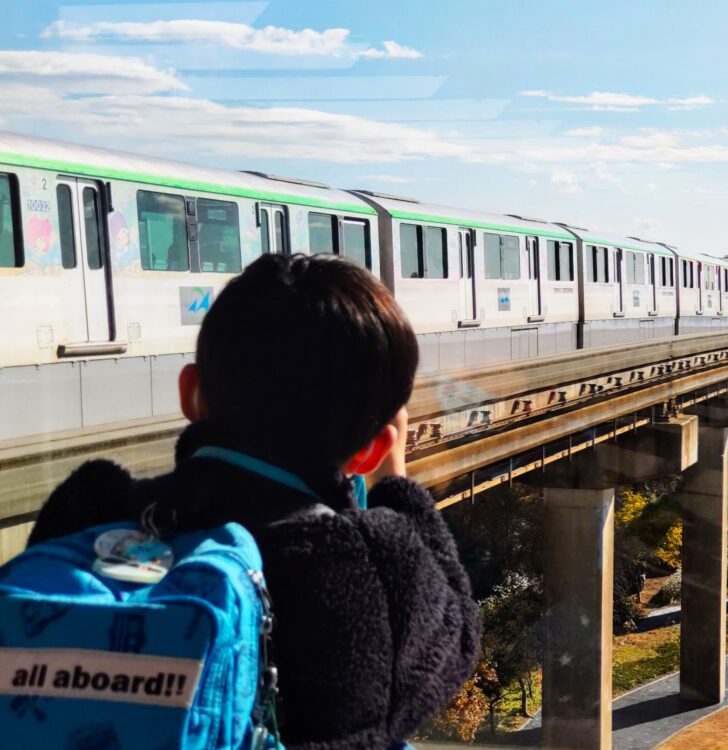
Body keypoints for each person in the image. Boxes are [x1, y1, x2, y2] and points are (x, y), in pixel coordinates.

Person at [27, 253, 481, 750]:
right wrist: (394, 484)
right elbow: (453, 643)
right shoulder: (360, 559)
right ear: (371, 447)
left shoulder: (90, 508)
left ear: (190, 394)